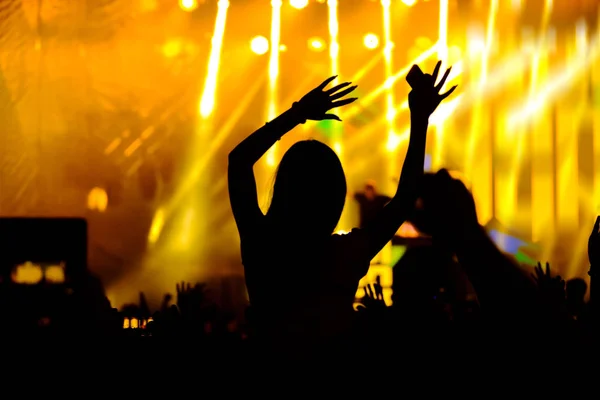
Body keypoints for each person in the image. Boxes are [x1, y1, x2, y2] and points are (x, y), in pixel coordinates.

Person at [228, 62, 456, 358]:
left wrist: (298, 114)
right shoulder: (345, 253)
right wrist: (420, 118)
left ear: (284, 187)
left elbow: (239, 161)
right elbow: (404, 200)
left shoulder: (263, 244)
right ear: (334, 197)